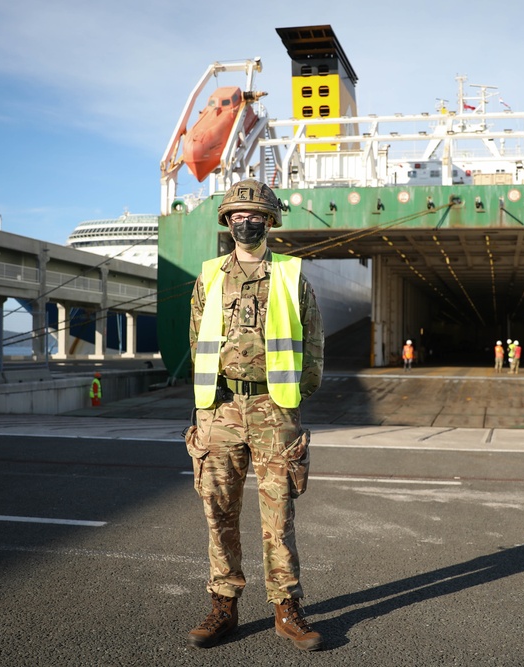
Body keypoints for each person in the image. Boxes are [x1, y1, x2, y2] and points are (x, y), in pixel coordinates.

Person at [186, 179, 325, 652]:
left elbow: (313, 336)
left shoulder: (289, 274)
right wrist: (207, 400)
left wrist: (300, 391)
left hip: (274, 406)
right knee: (218, 509)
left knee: (278, 513)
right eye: (238, 215)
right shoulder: (208, 277)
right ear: (227, 222)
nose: (247, 221)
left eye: (256, 215)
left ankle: (286, 606)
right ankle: (223, 603)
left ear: (270, 221)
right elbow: (195, 338)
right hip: (220, 408)